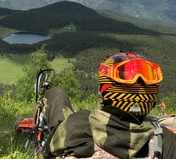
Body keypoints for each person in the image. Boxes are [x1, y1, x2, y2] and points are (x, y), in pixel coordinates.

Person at [40, 50, 176, 159]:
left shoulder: (77, 124)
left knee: (57, 93)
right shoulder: (167, 140)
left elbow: (47, 153)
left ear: (104, 90)